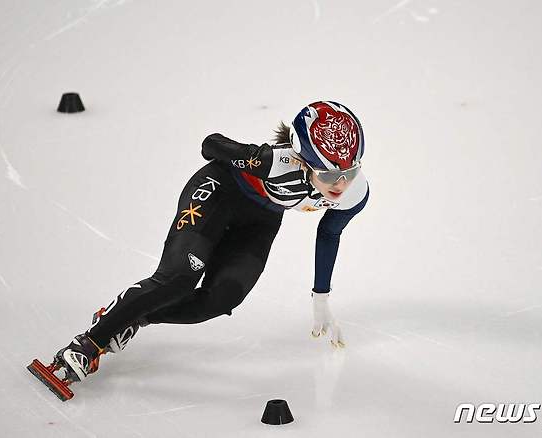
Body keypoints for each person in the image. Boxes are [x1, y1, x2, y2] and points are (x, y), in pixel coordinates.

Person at [53, 101, 369, 384]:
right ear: (302, 162)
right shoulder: (273, 163)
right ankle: (88, 344)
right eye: (328, 176)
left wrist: (321, 299)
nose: (340, 185)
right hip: (219, 193)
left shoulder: (354, 193)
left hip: (260, 220)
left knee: (223, 298)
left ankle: (132, 315)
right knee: (179, 279)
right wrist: (249, 157)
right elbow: (211, 144)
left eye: (349, 172)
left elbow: (329, 233)